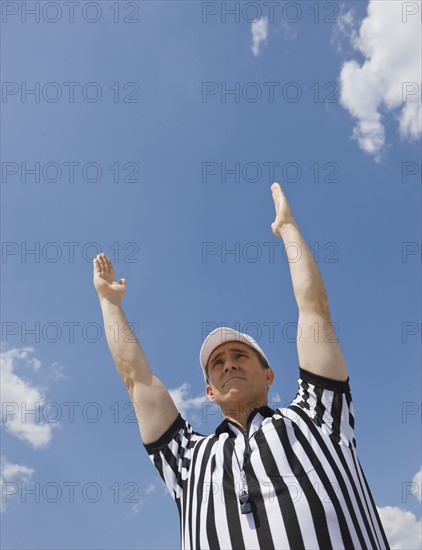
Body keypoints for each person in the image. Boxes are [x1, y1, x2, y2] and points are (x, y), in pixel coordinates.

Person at [93, 183, 390, 550]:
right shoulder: (187, 460)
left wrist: (288, 229)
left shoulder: (319, 417)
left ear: (269, 374)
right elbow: (135, 379)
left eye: (240, 355)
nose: (228, 364)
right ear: (209, 391)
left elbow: (314, 308)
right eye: (217, 363)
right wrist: (109, 303)